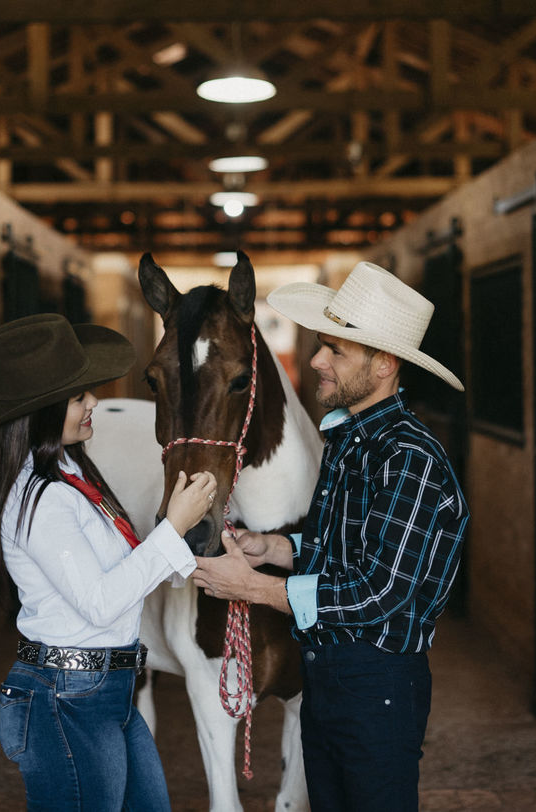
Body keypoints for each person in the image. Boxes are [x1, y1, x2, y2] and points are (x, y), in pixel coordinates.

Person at [191, 261, 468, 811]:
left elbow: (380, 593)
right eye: (322, 345)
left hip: (377, 685)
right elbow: (346, 555)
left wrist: (252, 589)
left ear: (384, 364)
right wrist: (276, 549)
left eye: (335, 350)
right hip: (330, 676)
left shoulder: (408, 458)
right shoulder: (348, 440)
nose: (316, 360)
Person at [0, 313, 217, 812]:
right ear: (44, 410)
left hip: (106, 690)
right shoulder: (41, 498)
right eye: (79, 397)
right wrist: (174, 528)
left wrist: (203, 550)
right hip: (66, 698)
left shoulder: (73, 472)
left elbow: (122, 564)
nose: (95, 400)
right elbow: (100, 603)